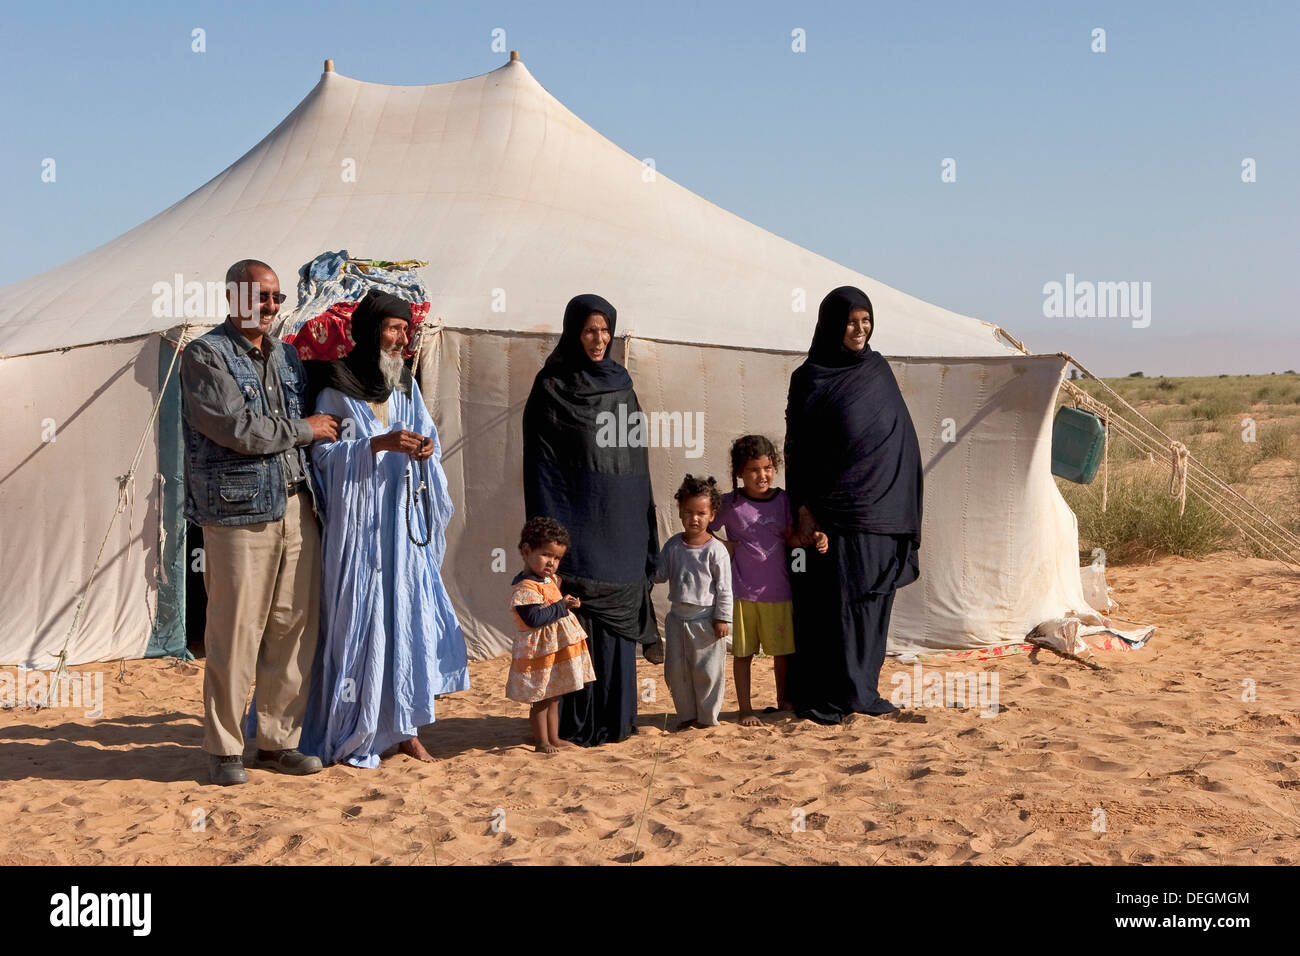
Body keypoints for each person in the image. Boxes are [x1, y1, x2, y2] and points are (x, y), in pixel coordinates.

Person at [180, 258, 339, 786]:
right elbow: (236, 428)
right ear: (233, 298)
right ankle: (225, 748)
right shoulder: (206, 355)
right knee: (234, 631)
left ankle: (278, 741)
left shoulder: (287, 355)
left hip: (297, 503)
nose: (269, 306)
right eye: (259, 296)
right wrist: (306, 429)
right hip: (237, 513)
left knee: (293, 628)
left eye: (275, 297)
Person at [298, 289, 470, 768]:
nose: (401, 338)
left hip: (402, 527)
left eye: (404, 330)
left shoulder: (404, 387)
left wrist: (426, 451)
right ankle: (356, 726)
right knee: (360, 621)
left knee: (406, 620)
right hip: (359, 534)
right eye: (393, 329)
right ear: (372, 330)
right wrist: (375, 445)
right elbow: (323, 458)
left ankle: (406, 729)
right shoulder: (336, 388)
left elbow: (427, 436)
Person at [522, 293, 660, 747]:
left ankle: (616, 717)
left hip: (620, 517)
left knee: (618, 607)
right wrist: (550, 533)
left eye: (604, 331)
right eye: (589, 331)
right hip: (575, 517)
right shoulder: (551, 387)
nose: (599, 339)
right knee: (578, 612)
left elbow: (636, 459)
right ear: (573, 333)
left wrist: (641, 522)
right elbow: (541, 466)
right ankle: (575, 723)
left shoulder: (621, 385)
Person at [784, 286, 923, 725]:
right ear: (832, 325)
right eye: (850, 321)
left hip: (879, 514)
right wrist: (804, 509)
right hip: (830, 517)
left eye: (865, 321)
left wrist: (898, 503)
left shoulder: (878, 371)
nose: (859, 329)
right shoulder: (809, 378)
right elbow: (797, 450)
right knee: (833, 607)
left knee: (869, 606)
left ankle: (863, 689)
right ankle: (831, 692)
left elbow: (898, 439)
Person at [708, 435, 821, 726]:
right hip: (742, 593)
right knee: (743, 655)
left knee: (781, 654)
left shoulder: (783, 500)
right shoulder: (729, 503)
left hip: (778, 591)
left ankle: (783, 702)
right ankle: (745, 709)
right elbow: (704, 528)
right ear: (739, 472)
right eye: (754, 470)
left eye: (768, 468)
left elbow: (790, 538)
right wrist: (725, 546)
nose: (762, 475)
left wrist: (812, 538)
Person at [507, 517, 597, 753]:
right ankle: (542, 742)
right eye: (546, 554)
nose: (552, 562)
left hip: (553, 650)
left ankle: (554, 738)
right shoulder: (525, 588)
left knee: (554, 695)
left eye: (557, 558)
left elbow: (553, 604)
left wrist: (568, 604)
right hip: (539, 653)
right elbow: (534, 619)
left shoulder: (549, 580)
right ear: (527, 551)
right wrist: (561, 606)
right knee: (540, 698)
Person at [654, 475, 732, 730]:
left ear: (712, 515)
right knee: (676, 671)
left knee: (707, 672)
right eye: (688, 512)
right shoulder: (673, 545)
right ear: (680, 512)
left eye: (701, 513)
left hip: (706, 621)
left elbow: (724, 589)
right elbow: (660, 574)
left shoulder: (716, 550)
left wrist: (722, 618)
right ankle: (686, 715)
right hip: (677, 620)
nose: (694, 518)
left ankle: (707, 719)